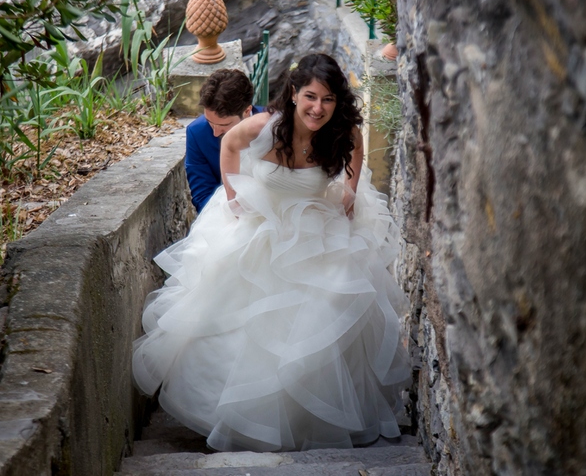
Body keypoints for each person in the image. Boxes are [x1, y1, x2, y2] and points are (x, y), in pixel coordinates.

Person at [133, 53, 410, 452]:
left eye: (328, 99)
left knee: (328, 310)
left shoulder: (342, 130)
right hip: (262, 226)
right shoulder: (266, 125)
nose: (318, 108)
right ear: (295, 93)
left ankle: (308, 420)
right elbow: (228, 142)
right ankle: (228, 416)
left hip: (318, 230)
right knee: (234, 310)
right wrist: (232, 196)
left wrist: (350, 189)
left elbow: (355, 148)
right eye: (311, 96)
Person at [185, 69, 265, 213]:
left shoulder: (273, 125)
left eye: (224, 125)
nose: (215, 132)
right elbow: (202, 195)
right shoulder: (197, 133)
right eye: (210, 122)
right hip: (224, 216)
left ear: (247, 111)